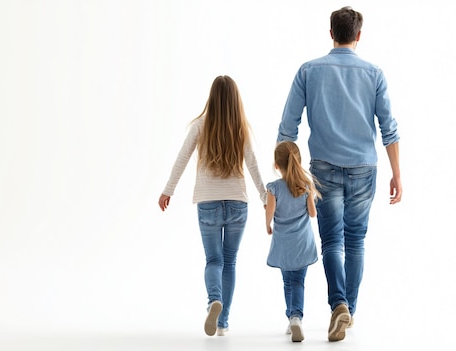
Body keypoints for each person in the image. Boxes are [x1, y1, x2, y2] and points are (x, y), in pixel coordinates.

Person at [276, 6, 402, 342]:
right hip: (364, 168)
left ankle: (339, 306)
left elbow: (288, 128)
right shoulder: (374, 74)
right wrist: (397, 175)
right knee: (356, 241)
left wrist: (289, 172)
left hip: (323, 169)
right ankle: (348, 311)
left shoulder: (309, 71)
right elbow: (389, 129)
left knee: (332, 240)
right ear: (358, 35)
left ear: (331, 33)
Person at [158, 75, 267, 337]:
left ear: (212, 97)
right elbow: (252, 163)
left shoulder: (199, 125)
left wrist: (167, 191)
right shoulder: (241, 126)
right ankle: (223, 323)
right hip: (238, 203)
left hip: (207, 203)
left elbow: (181, 158)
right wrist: (265, 197)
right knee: (229, 262)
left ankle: (213, 301)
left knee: (213, 260)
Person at [264, 141, 320, 343]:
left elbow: (270, 211)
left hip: (283, 243)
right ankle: (296, 317)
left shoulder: (274, 188)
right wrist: (310, 196)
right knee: (298, 281)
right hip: (302, 243)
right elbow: (313, 214)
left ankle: (291, 316)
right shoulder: (305, 186)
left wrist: (267, 225)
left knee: (287, 281)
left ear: (276, 165)